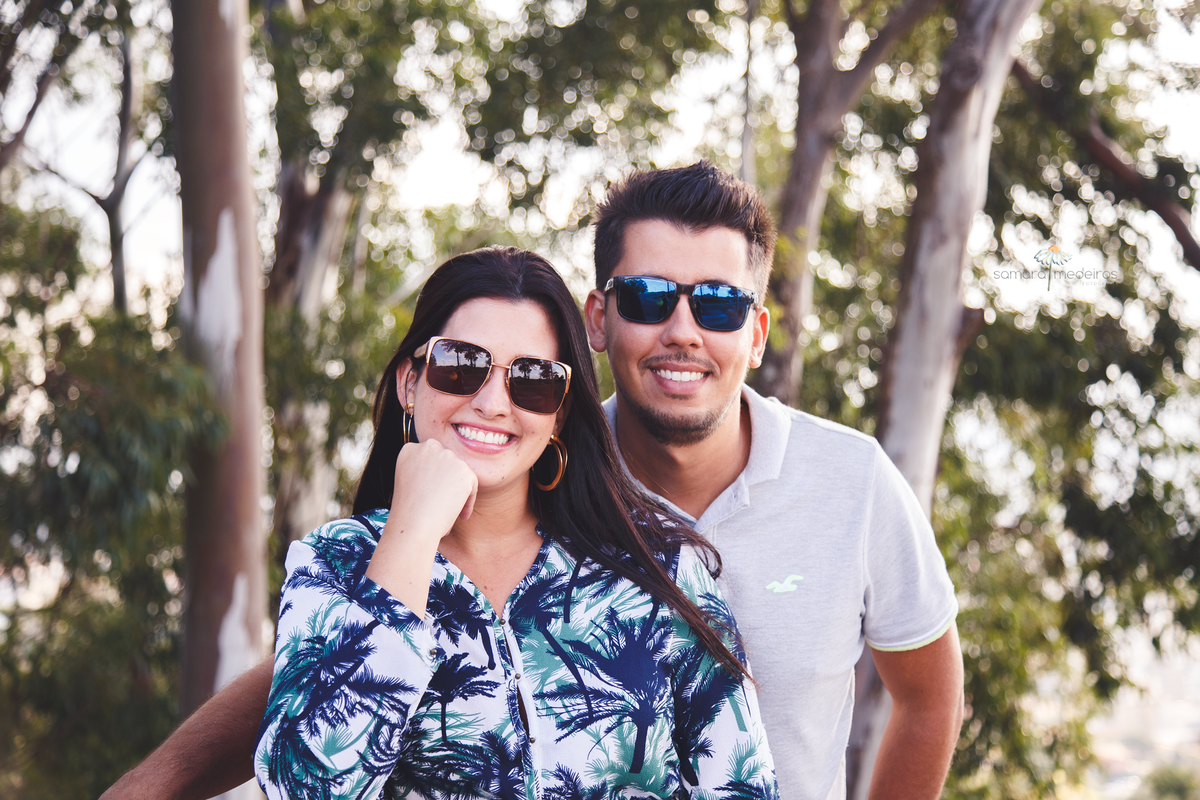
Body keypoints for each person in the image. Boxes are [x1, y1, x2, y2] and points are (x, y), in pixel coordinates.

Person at [102, 162, 961, 800]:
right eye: (651, 296)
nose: (684, 331)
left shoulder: (734, 533)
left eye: (719, 305)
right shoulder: (341, 563)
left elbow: (919, 701)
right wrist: (156, 782)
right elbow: (308, 733)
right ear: (601, 318)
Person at [253, 245, 776, 799]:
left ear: (560, 411)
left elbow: (745, 784)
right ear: (411, 381)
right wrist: (410, 534)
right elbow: (303, 787)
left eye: (533, 380)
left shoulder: (657, 566)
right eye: (461, 366)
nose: (494, 403)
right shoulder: (333, 565)